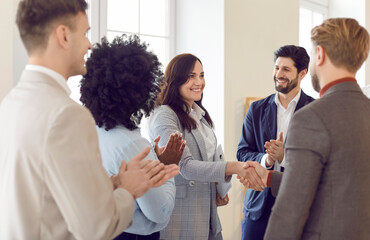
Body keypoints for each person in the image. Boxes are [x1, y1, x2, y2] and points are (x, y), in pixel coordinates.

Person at [0, 1, 177, 239]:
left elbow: (46, 192)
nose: (89, 44)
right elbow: (96, 227)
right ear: (63, 35)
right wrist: (128, 189)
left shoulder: (11, 102)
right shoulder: (67, 115)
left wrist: (115, 181)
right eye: (84, 33)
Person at [241, 18, 370, 240]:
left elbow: (291, 208)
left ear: (319, 55)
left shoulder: (310, 117)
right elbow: (331, 181)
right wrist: (270, 177)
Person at [148, 53, 264, 240]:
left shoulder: (200, 116)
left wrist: (218, 190)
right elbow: (185, 166)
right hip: (180, 219)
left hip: (206, 213)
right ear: (175, 80)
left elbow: (211, 159)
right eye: (191, 76)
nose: (199, 82)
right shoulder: (164, 115)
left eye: (201, 75)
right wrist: (235, 167)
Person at [80, 35, 184, 240]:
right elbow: (160, 213)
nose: (156, 89)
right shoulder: (133, 144)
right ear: (135, 91)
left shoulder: (94, 131)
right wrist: (165, 171)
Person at [236, 45, 314, 240]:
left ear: (302, 73)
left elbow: (318, 161)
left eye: (286, 69)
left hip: (299, 207)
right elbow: (243, 152)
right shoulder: (256, 109)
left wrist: (284, 157)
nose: (279, 74)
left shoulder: (316, 111)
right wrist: (267, 160)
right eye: (276, 68)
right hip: (258, 206)